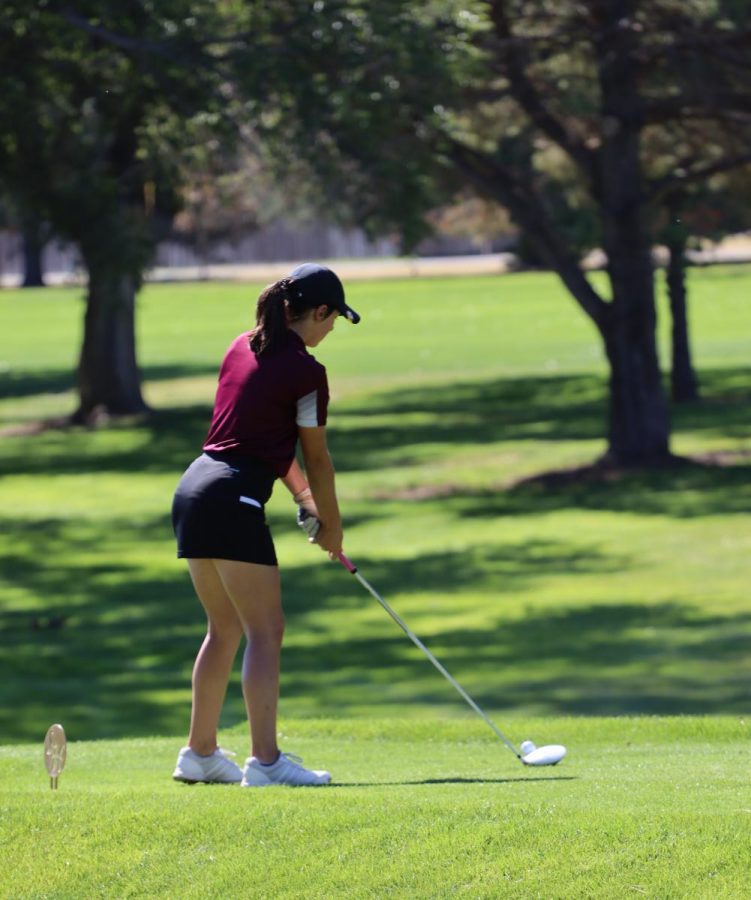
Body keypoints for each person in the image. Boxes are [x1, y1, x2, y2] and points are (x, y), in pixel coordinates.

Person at [170, 263, 360, 787]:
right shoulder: (307, 372)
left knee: (224, 627)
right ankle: (267, 762)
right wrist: (334, 526)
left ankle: (200, 754)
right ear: (318, 312)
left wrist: (305, 501)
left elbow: (261, 440)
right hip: (232, 498)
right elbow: (316, 457)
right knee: (265, 630)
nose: (330, 331)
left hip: (193, 491)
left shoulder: (241, 345)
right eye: (333, 320)